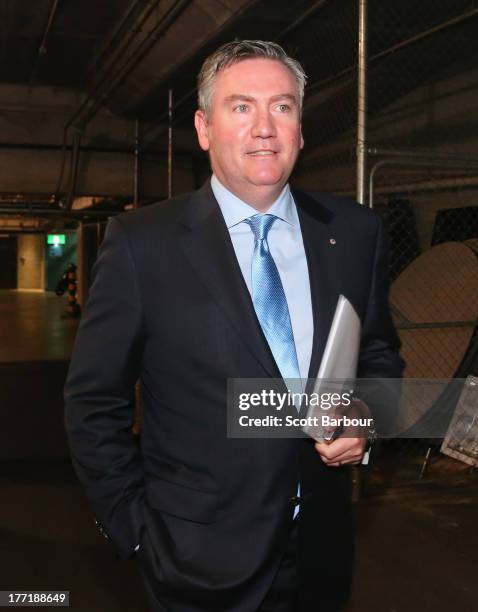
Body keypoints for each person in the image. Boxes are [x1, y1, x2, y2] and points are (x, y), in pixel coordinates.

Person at [64, 40, 404, 611]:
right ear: (203, 128)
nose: (265, 128)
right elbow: (94, 401)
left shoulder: (354, 232)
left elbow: (378, 353)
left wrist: (364, 415)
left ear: (300, 128)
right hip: (193, 555)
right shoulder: (142, 244)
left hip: (321, 548)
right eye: (241, 107)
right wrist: (136, 528)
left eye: (283, 107)